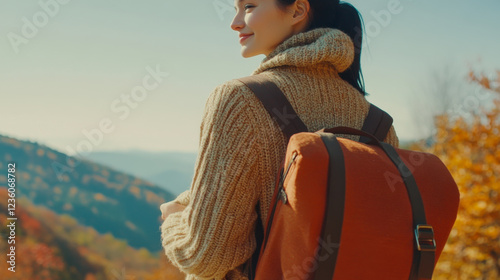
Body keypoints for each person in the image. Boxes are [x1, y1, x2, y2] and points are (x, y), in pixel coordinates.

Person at [159, 0, 399, 279]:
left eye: (249, 6)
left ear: (297, 10)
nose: (235, 22)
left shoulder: (239, 99)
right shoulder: (379, 124)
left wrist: (175, 218)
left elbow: (205, 257)